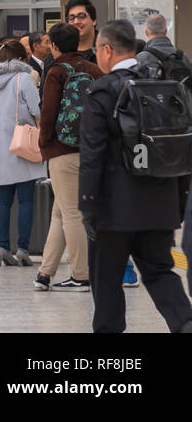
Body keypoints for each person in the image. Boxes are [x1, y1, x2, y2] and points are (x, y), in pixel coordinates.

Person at [80, 20, 192, 333]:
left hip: (113, 210)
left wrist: (87, 206)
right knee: (159, 272)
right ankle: (184, 323)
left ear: (106, 50)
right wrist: (179, 201)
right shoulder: (168, 88)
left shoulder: (102, 91)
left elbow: (92, 156)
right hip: (160, 203)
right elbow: (183, 147)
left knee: (107, 281)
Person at [36, 22, 103, 291]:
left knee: (72, 214)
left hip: (62, 152)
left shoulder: (56, 71)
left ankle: (81, 275)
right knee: (60, 213)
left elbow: (48, 113)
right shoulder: (94, 70)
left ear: (53, 46)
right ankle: (44, 274)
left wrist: (43, 145)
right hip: (90, 150)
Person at [0, 39, 47, 268]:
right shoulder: (24, 78)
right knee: (26, 199)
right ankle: (23, 249)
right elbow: (37, 110)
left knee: (3, 201)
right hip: (22, 144)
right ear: (21, 59)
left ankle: (2, 246)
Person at [65, 0, 99, 64]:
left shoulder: (107, 50)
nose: (76, 21)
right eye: (72, 18)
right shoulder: (58, 53)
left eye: (81, 16)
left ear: (94, 20)